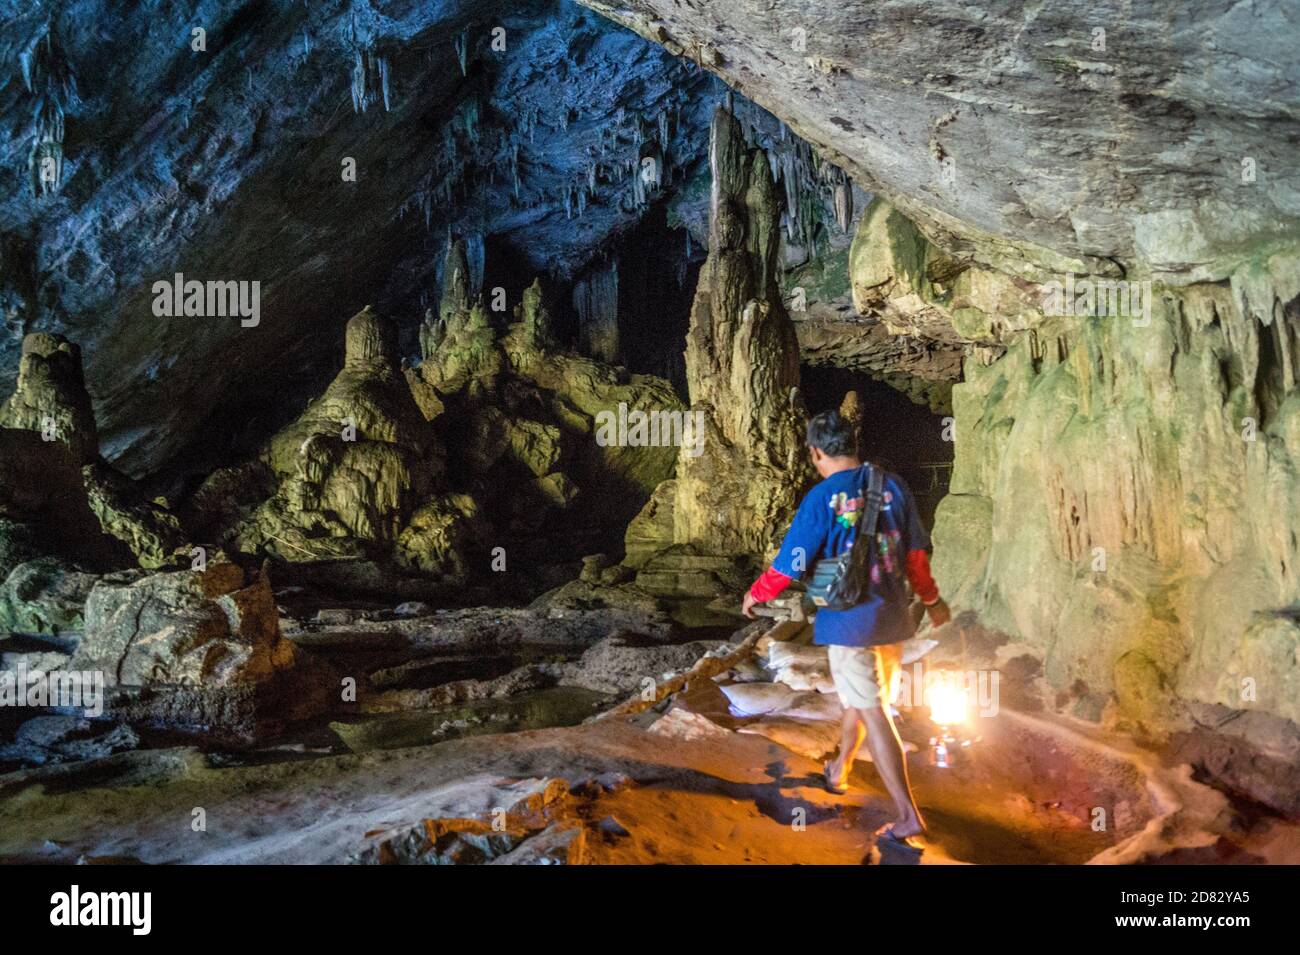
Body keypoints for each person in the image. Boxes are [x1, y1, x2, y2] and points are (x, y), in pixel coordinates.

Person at [742, 409, 950, 846]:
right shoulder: (892, 485)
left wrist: (757, 593)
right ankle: (840, 770)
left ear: (816, 452)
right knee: (861, 699)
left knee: (874, 711)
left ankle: (908, 815)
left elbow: (793, 562)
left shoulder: (822, 497)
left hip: (849, 622)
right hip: (893, 618)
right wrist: (930, 600)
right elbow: (916, 555)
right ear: (853, 443)